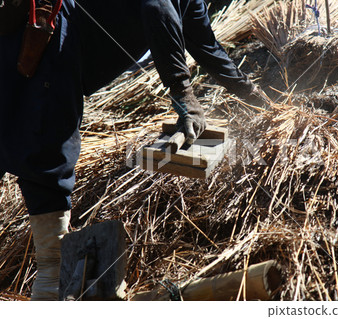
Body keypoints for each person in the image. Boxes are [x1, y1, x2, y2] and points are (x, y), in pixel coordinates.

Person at [0, 0, 267, 300]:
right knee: (45, 159)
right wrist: (183, 94)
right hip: (45, 40)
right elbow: (157, 6)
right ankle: (49, 281)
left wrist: (256, 97)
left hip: (48, 49)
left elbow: (205, 46)